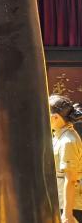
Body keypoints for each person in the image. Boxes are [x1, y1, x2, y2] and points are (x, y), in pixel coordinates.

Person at [50, 94, 82, 223]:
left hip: (71, 206)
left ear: (55, 117)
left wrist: (68, 214)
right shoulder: (59, 136)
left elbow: (71, 178)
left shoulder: (68, 141)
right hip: (61, 202)